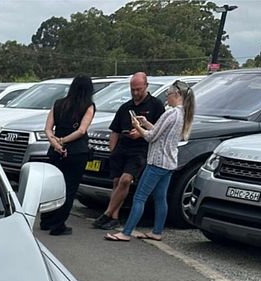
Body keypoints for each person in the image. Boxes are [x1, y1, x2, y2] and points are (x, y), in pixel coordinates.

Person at [105, 80, 196, 243]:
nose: (167, 98)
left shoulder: (171, 113)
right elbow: (158, 130)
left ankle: (126, 232)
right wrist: (145, 122)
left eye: (168, 95)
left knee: (139, 197)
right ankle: (157, 231)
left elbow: (151, 136)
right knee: (160, 197)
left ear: (176, 94)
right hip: (169, 162)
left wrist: (137, 126)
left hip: (157, 162)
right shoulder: (182, 114)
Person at [93, 72, 167, 231]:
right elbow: (115, 131)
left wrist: (141, 132)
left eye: (138, 89)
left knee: (126, 180)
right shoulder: (125, 107)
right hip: (122, 148)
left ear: (146, 86)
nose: (135, 93)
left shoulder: (156, 105)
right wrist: (112, 151)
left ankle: (106, 213)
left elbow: (160, 131)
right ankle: (114, 217)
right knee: (116, 181)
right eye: (132, 89)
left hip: (140, 150)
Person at [39, 75, 96, 236]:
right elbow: (81, 130)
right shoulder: (88, 106)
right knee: (69, 188)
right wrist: (64, 141)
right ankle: (59, 224)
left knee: (52, 186)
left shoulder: (58, 104)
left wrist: (56, 144)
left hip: (55, 151)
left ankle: (46, 220)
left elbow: (48, 129)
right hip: (76, 151)